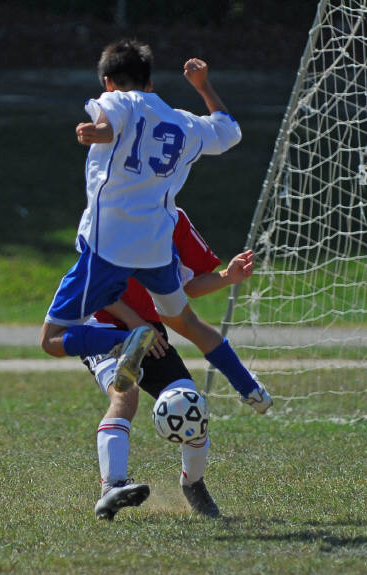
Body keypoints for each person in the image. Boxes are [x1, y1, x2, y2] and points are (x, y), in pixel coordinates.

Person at [41, 39, 266, 409]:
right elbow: (229, 130)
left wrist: (98, 132)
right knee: (186, 321)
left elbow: (108, 122)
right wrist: (203, 86)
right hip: (156, 249)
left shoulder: (117, 100)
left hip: (109, 246)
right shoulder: (183, 122)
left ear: (108, 82)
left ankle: (124, 341)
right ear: (150, 82)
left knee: (51, 339)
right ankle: (250, 388)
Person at [82, 209, 270, 520]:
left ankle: (192, 483)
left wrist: (227, 276)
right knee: (125, 395)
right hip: (102, 326)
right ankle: (112, 487)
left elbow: (188, 285)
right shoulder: (109, 212)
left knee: (189, 402)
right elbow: (92, 284)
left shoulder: (174, 217)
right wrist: (136, 323)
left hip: (149, 331)